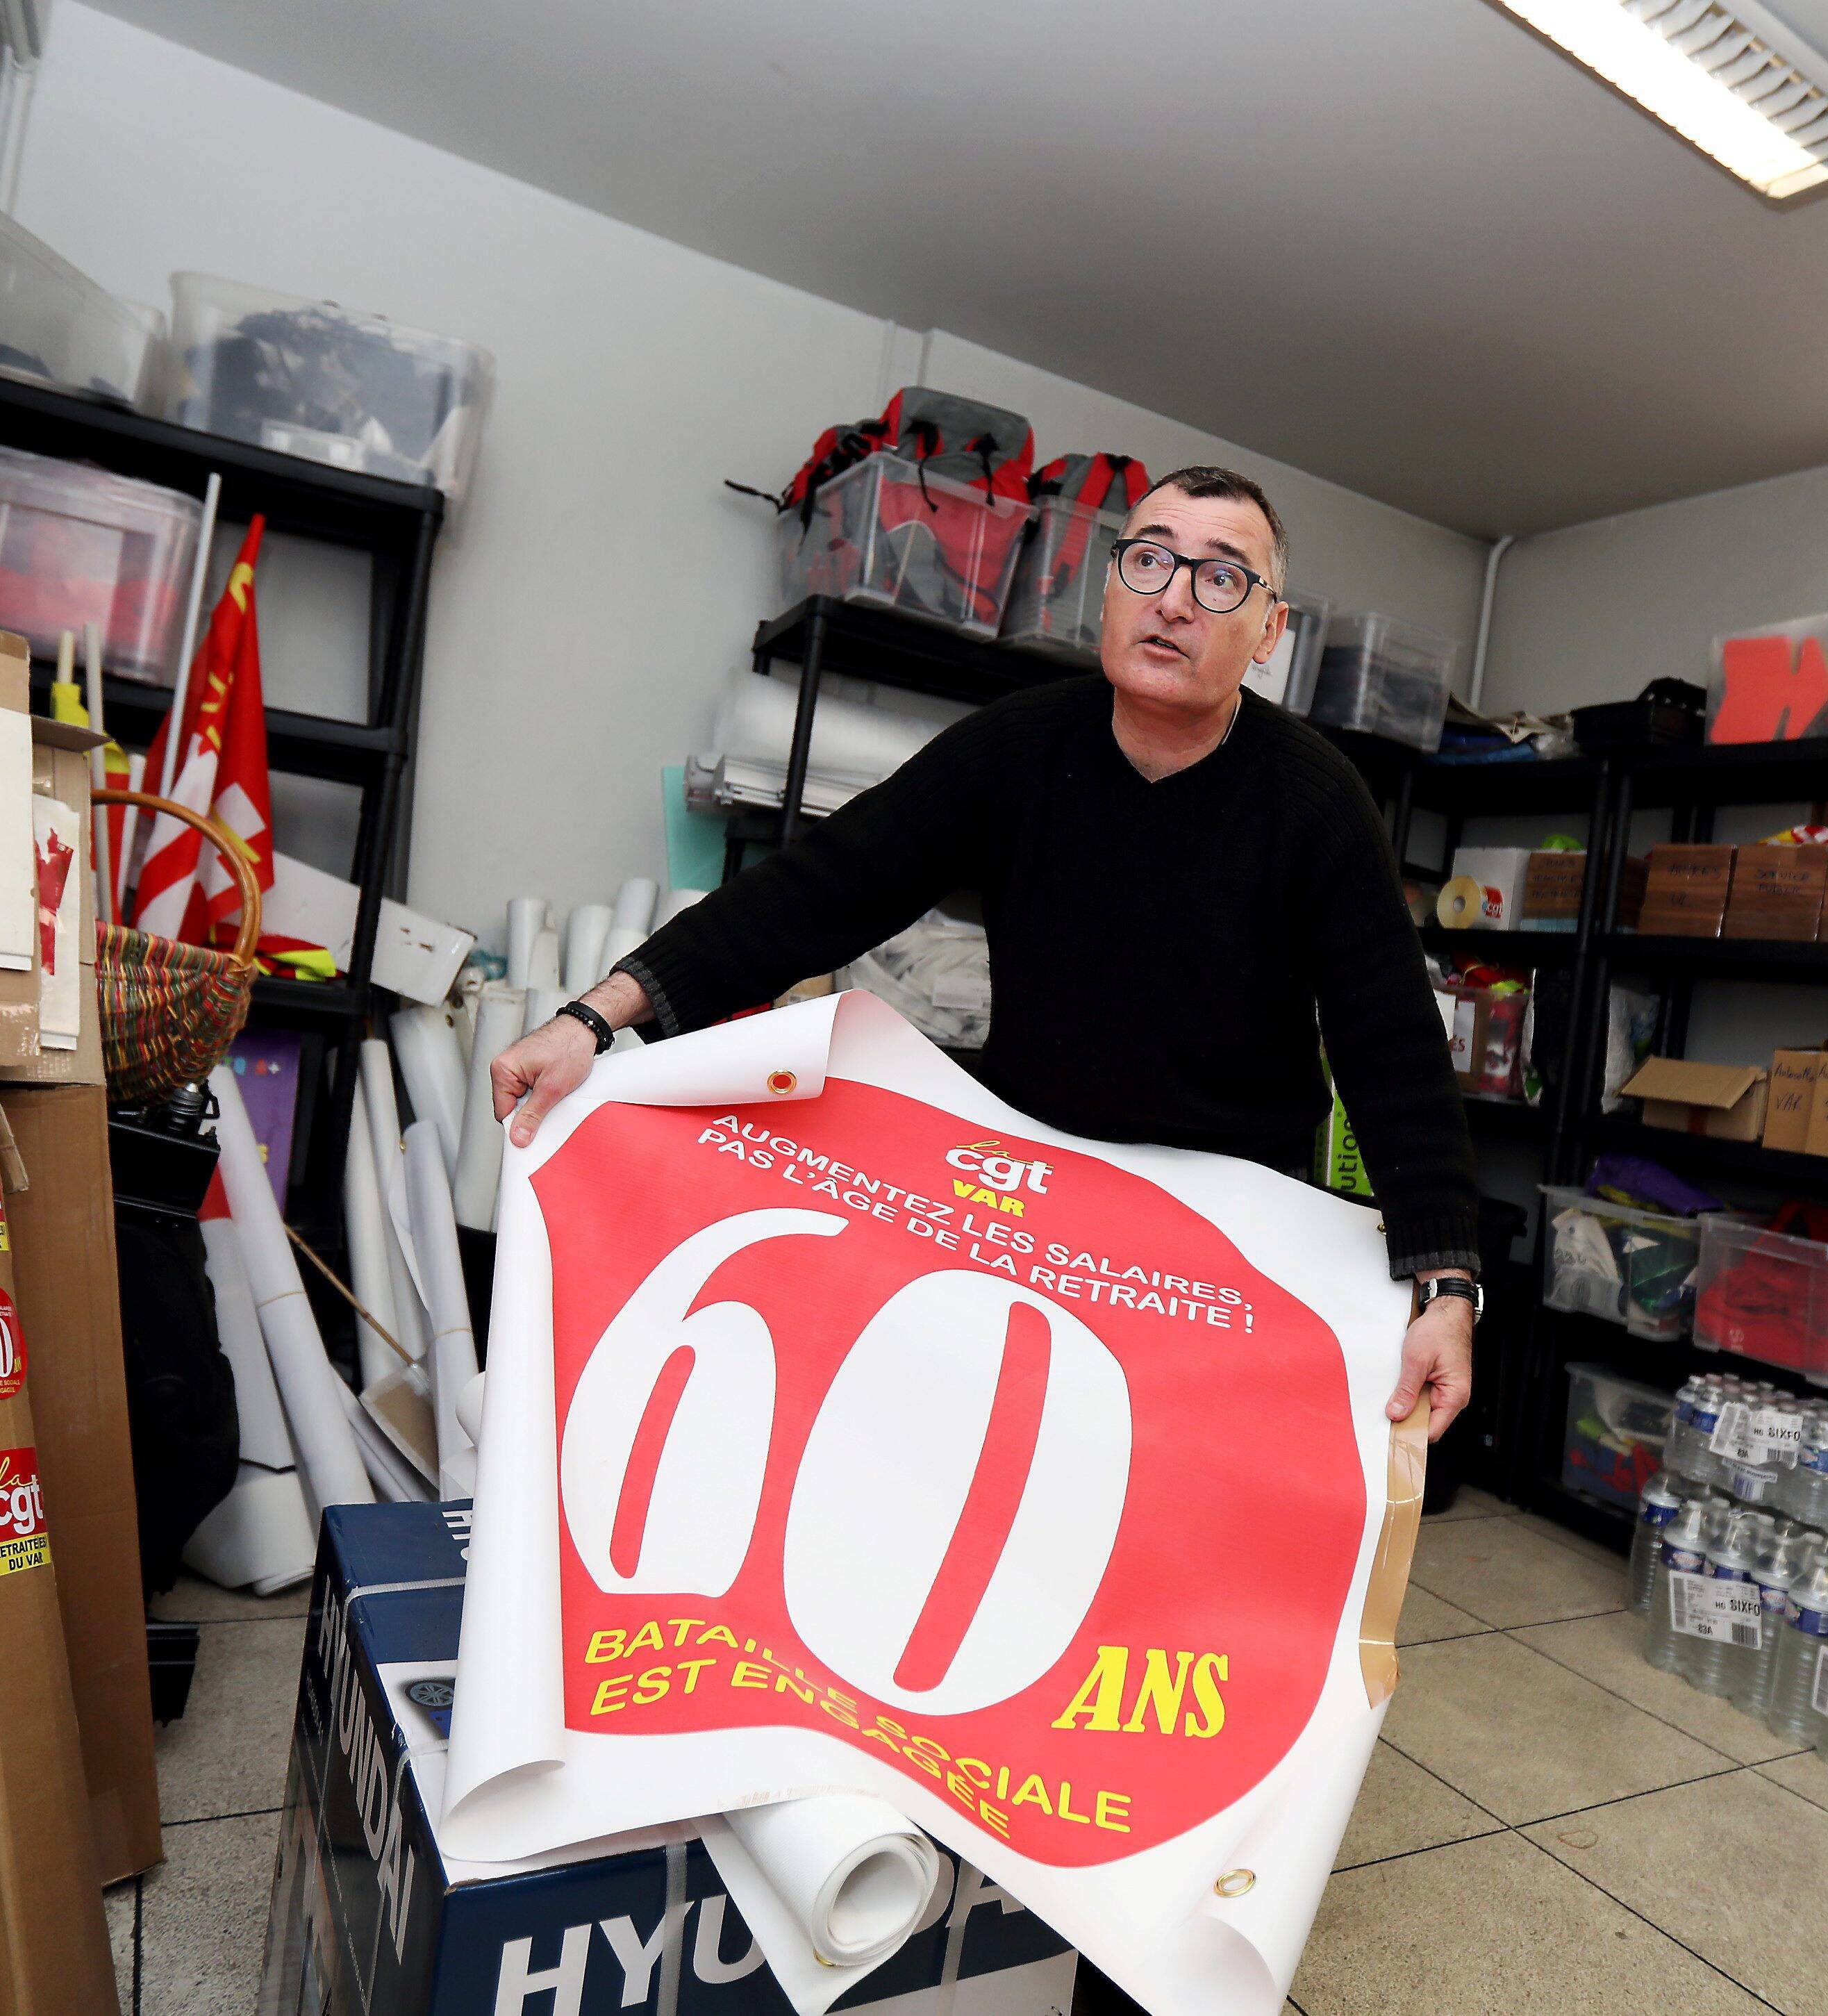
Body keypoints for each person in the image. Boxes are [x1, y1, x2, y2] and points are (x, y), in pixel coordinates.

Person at [493, 463, 1479, 2016]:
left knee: (1161, 1611)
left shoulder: (1313, 805)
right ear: (1109, 586)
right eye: (1149, 555)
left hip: (1216, 1259)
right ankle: (925, 1825)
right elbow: (818, 888)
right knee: (974, 1543)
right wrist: (599, 1011)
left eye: (1221, 575)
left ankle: (1124, 1931)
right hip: (1037, 1217)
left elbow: (1386, 1047)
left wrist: (1441, 1272)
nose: (1173, 592)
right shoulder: (1016, 751)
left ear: (1265, 631)